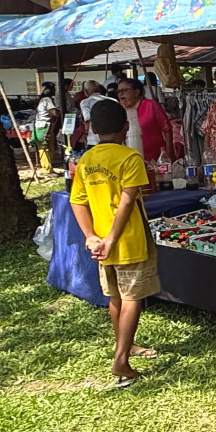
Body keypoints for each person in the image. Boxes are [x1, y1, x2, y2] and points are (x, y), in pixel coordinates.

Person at [69, 98, 159, 387]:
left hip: (100, 244)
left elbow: (77, 201)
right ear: (127, 126)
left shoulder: (86, 160)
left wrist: (92, 237)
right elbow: (127, 201)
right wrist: (111, 238)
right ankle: (121, 360)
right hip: (128, 241)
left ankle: (125, 345)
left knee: (115, 297)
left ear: (93, 129)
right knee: (132, 298)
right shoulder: (130, 158)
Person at [115, 77, 172, 162]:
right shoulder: (118, 109)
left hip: (155, 158)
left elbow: (167, 129)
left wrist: (169, 155)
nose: (121, 94)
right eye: (118, 91)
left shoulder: (150, 105)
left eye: (124, 90)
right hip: (129, 158)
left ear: (136, 92)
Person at [32, 81, 62, 171]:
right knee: (46, 147)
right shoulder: (47, 100)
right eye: (54, 90)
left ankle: (47, 166)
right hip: (45, 126)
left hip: (39, 126)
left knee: (45, 146)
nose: (55, 91)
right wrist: (60, 110)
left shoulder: (41, 100)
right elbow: (53, 112)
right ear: (49, 90)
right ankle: (47, 168)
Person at [77, 80, 107, 148]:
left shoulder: (85, 102)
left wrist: (84, 134)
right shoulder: (113, 101)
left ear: (85, 91)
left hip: (94, 139)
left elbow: (88, 119)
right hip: (113, 138)